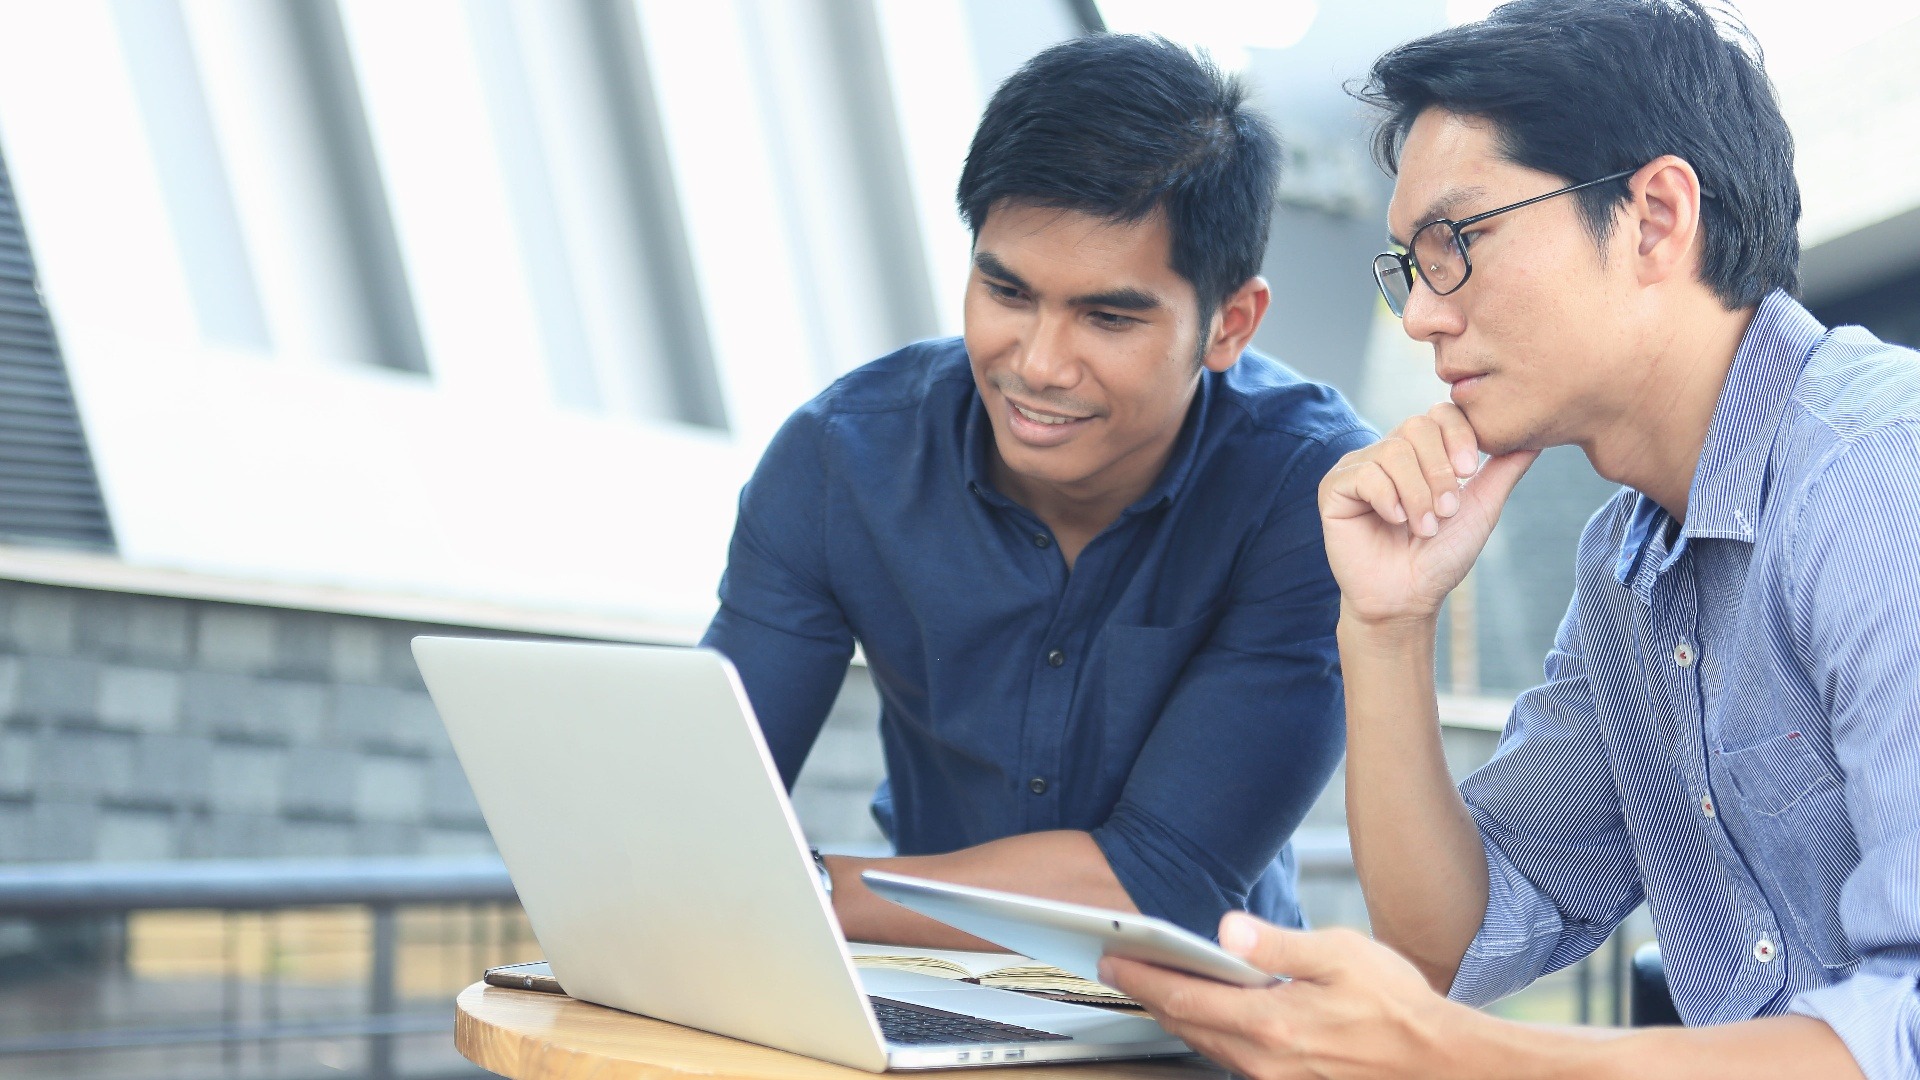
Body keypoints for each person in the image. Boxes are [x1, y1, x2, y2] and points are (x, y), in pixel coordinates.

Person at [1103, 2, 1918, 1077]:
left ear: (1656, 217)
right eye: (1408, 266)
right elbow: (1453, 940)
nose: (1422, 317)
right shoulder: (1628, 565)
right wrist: (1387, 624)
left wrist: (1459, 1057)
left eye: (1458, 244)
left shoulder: (1880, 478)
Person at [700, 34, 1371, 948]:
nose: (1039, 366)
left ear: (1230, 324)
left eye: (1107, 316)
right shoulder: (840, 462)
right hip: (921, 992)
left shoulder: (1308, 495)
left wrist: (794, 892)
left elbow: (1160, 883)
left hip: (1194, 1031)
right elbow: (705, 810)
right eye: (1007, 293)